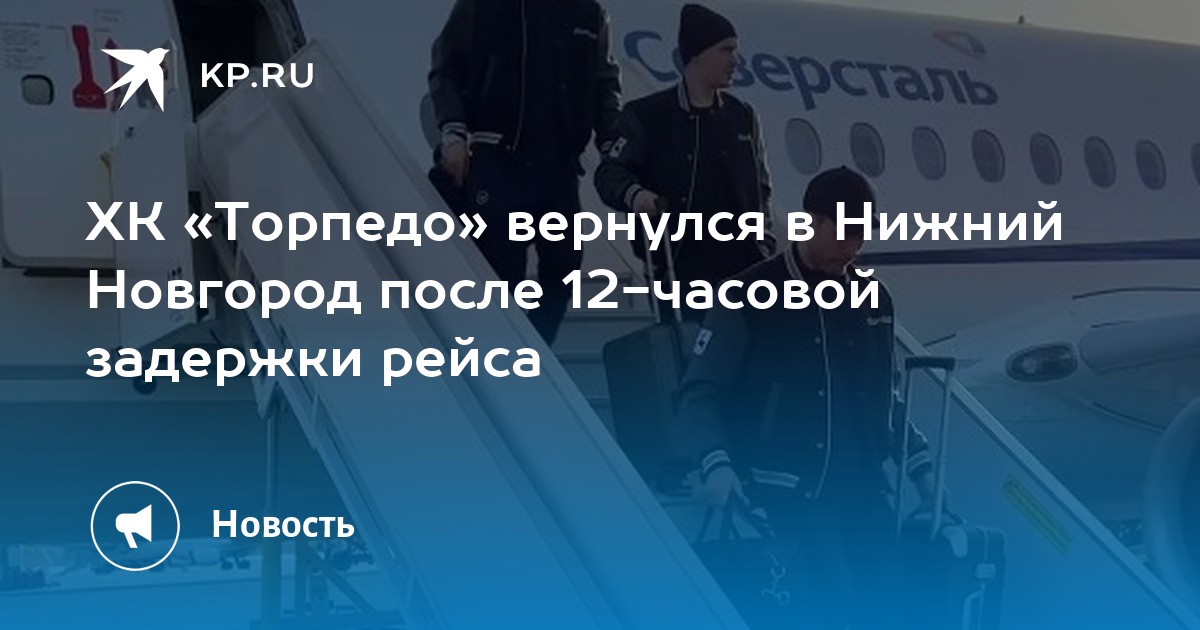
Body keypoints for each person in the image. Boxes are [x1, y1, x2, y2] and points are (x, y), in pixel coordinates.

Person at [677, 167, 942, 628]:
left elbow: (887, 394)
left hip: (864, 486)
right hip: (790, 490)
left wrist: (920, 466)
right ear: (811, 222)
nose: (853, 247)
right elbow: (700, 392)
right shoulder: (746, 295)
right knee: (833, 605)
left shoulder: (874, 298)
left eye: (862, 235)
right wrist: (715, 462)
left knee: (895, 603)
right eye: (845, 233)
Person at [428, 0, 622, 344]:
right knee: (502, 273)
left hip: (559, 167)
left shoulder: (589, 12)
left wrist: (613, 145)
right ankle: (497, 356)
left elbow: (605, 84)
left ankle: (533, 354)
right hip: (498, 159)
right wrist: (453, 132)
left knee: (564, 267)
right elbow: (445, 66)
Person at [594, 3, 773, 323]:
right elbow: (609, 173)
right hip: (681, 271)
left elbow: (762, 188)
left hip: (745, 270)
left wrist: (765, 245)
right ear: (696, 55)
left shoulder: (743, 116)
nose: (735, 60)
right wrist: (636, 196)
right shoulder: (647, 116)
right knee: (692, 349)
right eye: (726, 50)